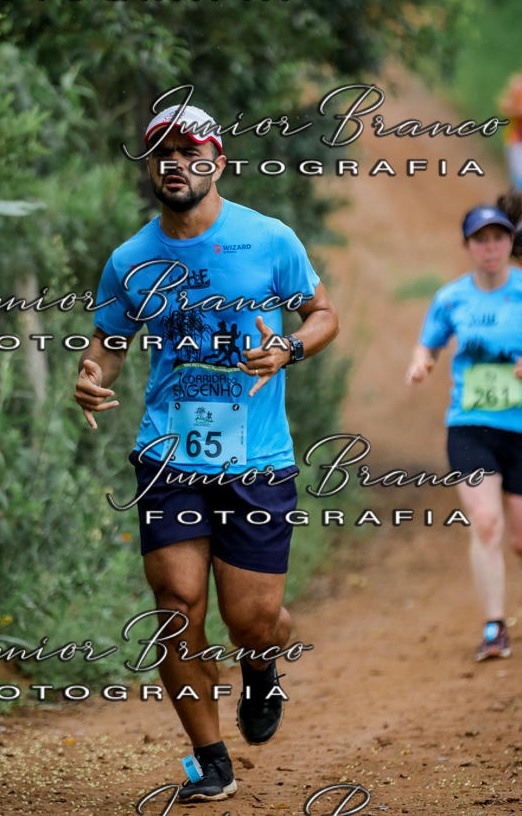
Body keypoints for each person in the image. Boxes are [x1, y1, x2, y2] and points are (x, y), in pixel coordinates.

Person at [73, 104, 339, 801]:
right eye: (160, 152)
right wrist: (91, 376)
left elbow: (322, 313)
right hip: (169, 454)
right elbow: (109, 342)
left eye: (190, 153)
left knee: (251, 619)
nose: (174, 165)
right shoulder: (131, 260)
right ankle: (211, 757)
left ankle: (261, 667)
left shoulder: (268, 240)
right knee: (175, 605)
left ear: (217, 163)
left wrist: (289, 347)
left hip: (256, 458)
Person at [406, 190, 522, 662]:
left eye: (497, 238)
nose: (489, 247)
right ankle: (495, 627)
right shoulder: (451, 297)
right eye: (480, 239)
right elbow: (427, 344)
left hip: (521, 430)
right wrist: (421, 365)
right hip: (470, 426)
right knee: (487, 523)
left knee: (520, 538)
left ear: (509, 242)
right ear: (468, 246)